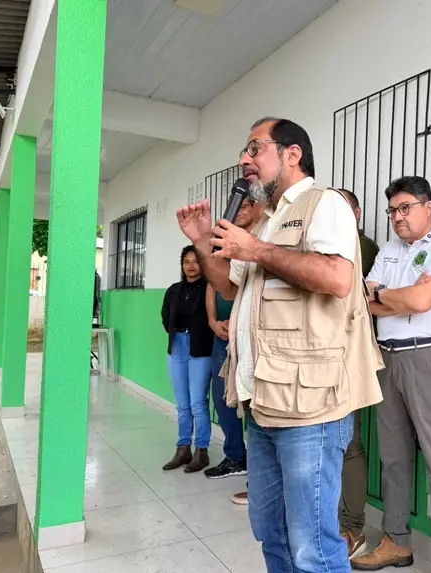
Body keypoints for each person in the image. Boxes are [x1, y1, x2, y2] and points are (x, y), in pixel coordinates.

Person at [176, 117, 383, 573]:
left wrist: (255, 250)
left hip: (310, 407)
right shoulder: (267, 222)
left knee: (313, 546)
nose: (244, 159)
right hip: (263, 399)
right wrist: (202, 241)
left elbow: (337, 277)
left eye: (255, 148)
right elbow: (229, 287)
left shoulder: (324, 203)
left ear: (292, 154)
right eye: (244, 151)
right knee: (271, 531)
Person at [352, 176, 431, 573]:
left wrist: (387, 295)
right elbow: (363, 302)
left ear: (428, 207)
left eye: (405, 208)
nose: (397, 217)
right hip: (387, 357)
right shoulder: (388, 250)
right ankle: (396, 542)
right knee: (393, 458)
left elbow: (421, 300)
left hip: (429, 356)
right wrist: (398, 298)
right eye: (392, 211)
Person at [203, 198, 265, 482]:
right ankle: (235, 456)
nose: (238, 208)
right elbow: (213, 285)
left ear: (258, 208)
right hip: (222, 335)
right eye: (235, 204)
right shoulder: (224, 241)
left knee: (255, 399)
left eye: (245, 204)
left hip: (251, 333)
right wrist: (212, 321)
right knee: (222, 396)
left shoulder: (262, 239)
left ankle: (259, 467)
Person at [337, 188, 379, 559]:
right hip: (320, 356)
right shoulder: (324, 244)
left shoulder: (361, 247)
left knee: (349, 443)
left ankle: (352, 528)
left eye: (343, 208)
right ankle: (335, 522)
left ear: (358, 214)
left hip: (349, 356)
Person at [159, 245, 215, 473]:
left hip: (200, 347)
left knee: (197, 403)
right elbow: (165, 317)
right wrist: (177, 334)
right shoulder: (174, 290)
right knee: (182, 404)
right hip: (177, 347)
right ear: (182, 265)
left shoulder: (210, 288)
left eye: (195, 261)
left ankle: (201, 450)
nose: (191, 266)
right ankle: (183, 449)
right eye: (186, 262)